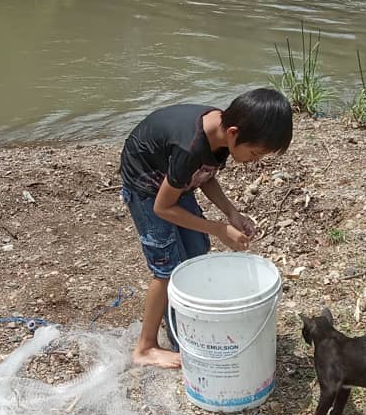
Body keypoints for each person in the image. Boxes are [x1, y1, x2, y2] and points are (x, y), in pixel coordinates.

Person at [119, 87, 293, 368]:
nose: (255, 161)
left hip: (173, 177)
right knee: (167, 267)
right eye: (255, 153)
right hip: (147, 184)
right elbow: (162, 208)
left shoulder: (221, 134)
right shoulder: (190, 147)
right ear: (235, 133)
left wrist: (231, 213)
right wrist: (219, 228)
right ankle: (145, 347)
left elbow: (205, 176)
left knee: (196, 251)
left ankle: (181, 329)